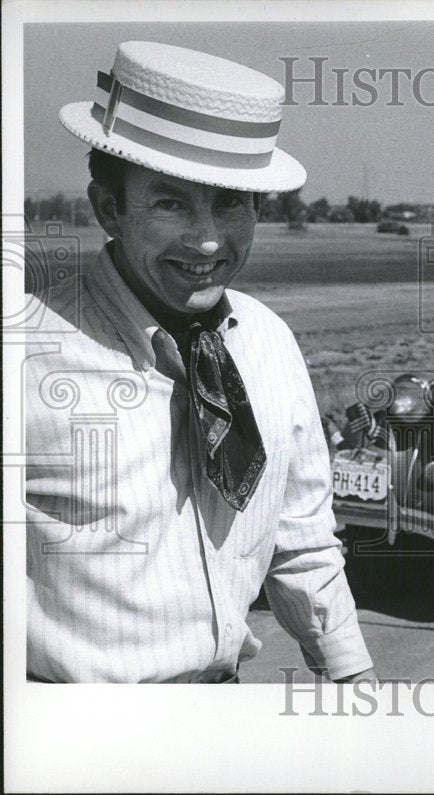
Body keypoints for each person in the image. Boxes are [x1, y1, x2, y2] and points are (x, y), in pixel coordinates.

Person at [25, 41, 375, 683]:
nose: (208, 240)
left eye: (230, 202)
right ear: (109, 208)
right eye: (170, 203)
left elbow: (302, 537)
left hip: (223, 717)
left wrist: (351, 677)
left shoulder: (267, 341)